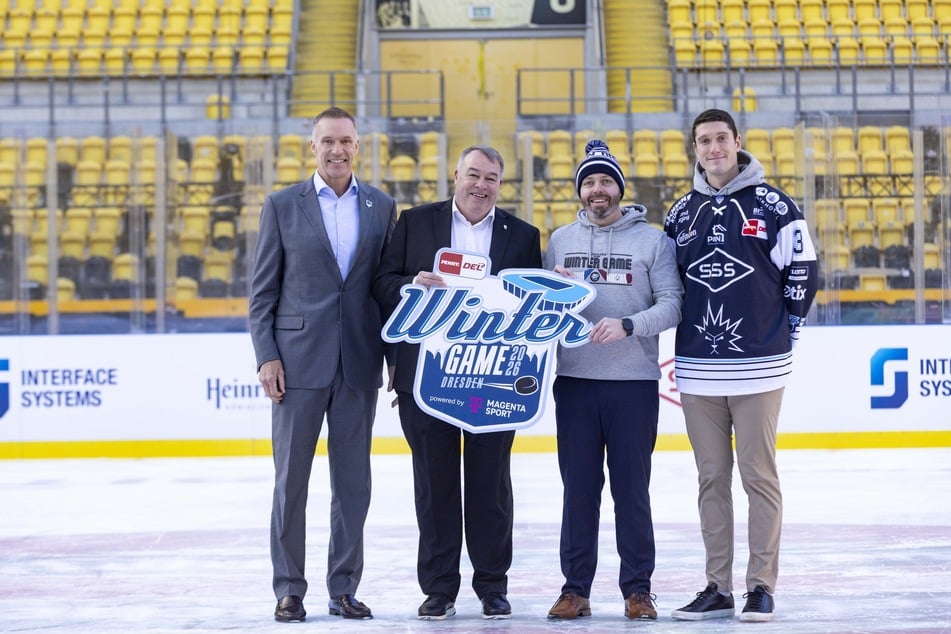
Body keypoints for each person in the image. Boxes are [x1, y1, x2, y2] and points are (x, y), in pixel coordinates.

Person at [372, 145, 542, 621]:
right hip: (427, 378)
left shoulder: (523, 236)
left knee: (490, 486)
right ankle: (440, 588)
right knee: (435, 484)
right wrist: (413, 284)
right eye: (473, 174)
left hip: (494, 380)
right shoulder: (415, 223)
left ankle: (492, 585)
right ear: (455, 175)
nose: (480, 185)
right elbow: (382, 284)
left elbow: (533, 305)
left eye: (491, 178)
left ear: (500, 186)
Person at [663, 109, 818, 623]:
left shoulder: (774, 204)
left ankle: (760, 585)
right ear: (695, 148)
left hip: (758, 369)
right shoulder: (680, 213)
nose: (713, 148)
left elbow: (804, 271)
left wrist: (784, 332)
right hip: (698, 371)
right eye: (703, 141)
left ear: (737, 142)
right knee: (711, 480)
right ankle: (717, 585)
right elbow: (668, 284)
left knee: (758, 477)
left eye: (720, 139)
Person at [248, 106, 397, 623]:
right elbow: (262, 291)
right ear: (313, 146)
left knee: (353, 484)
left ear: (359, 145)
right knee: (291, 482)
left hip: (359, 361)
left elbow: (384, 290)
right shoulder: (283, 205)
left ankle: (343, 588)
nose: (337, 150)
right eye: (328, 141)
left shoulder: (381, 206)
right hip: (297, 365)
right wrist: (267, 354)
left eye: (346, 141)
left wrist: (396, 356)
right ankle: (289, 588)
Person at [543, 140, 683, 621]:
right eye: (589, 182)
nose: (597, 190)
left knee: (631, 490)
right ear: (580, 190)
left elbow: (672, 304)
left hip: (633, 384)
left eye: (605, 181)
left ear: (619, 189)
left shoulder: (653, 241)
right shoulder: (560, 240)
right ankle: (575, 589)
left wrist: (628, 325)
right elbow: (542, 311)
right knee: (578, 490)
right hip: (576, 382)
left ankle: (638, 590)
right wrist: (555, 289)